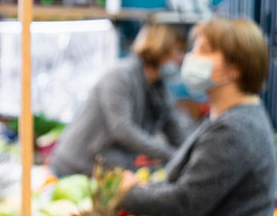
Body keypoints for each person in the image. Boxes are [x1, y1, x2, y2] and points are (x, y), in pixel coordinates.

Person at [121, 18, 277, 216]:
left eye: (204, 50)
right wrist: (144, 188)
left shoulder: (234, 130)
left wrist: (125, 195)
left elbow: (187, 202)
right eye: (194, 48)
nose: (190, 57)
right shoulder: (229, 116)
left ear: (235, 68)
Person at [50, 24, 188, 177]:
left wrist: (189, 154)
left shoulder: (158, 89)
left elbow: (173, 128)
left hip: (109, 168)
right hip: (76, 166)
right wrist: (172, 155)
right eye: (179, 52)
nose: (182, 60)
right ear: (161, 48)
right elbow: (122, 129)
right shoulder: (120, 76)